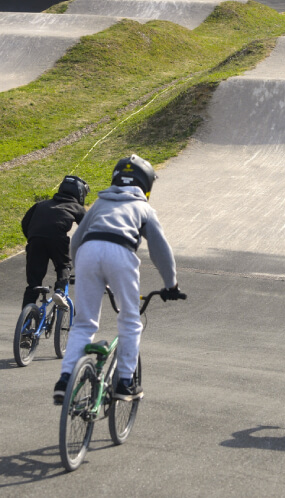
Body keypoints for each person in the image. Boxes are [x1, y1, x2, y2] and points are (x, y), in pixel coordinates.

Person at [54, 154, 182, 404]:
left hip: (88, 253)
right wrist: (171, 284)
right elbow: (159, 250)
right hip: (121, 253)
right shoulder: (144, 208)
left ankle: (65, 379)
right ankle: (125, 381)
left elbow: (77, 240)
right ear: (145, 185)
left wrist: (81, 271)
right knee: (130, 320)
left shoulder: (100, 204)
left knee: (84, 323)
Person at [20, 175, 89, 309]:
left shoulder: (41, 204)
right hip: (57, 240)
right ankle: (60, 292)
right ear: (80, 193)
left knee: (33, 284)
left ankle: (26, 323)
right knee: (63, 266)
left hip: (35, 240)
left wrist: (32, 238)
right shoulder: (77, 208)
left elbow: (25, 223)